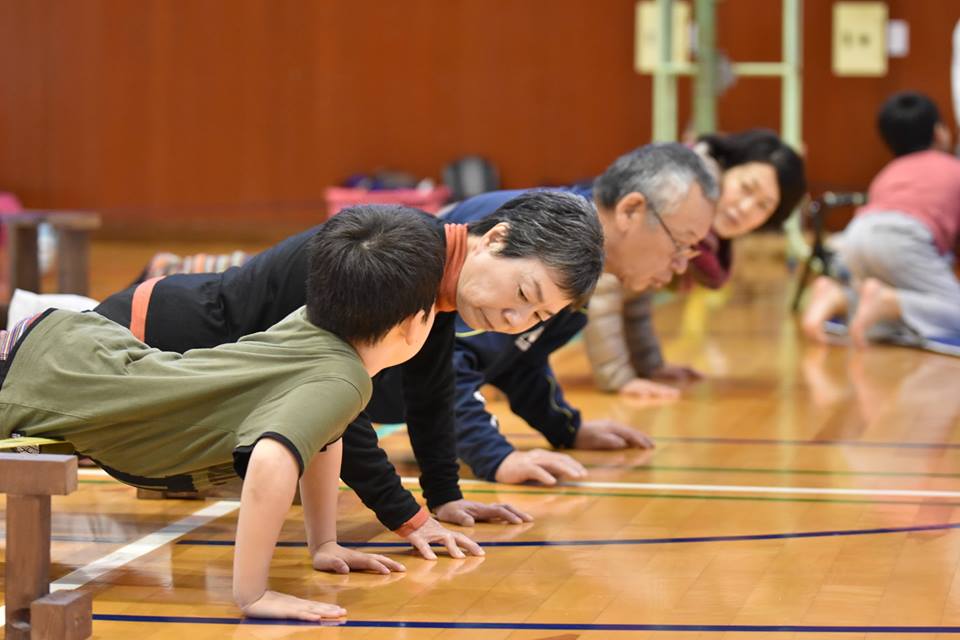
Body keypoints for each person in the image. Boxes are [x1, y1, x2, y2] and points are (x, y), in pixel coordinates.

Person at [94, 189, 606, 553]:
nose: (514, 321)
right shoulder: (406, 258)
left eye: (535, 317)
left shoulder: (441, 275)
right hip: (144, 347)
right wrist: (409, 518)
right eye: (522, 294)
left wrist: (445, 497)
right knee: (24, 436)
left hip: (196, 373)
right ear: (496, 237)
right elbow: (337, 410)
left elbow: (432, 392)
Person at [0, 205, 446, 621]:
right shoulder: (343, 379)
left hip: (74, 351)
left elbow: (328, 432)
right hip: (45, 384)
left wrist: (324, 543)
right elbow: (273, 458)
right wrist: (253, 593)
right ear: (415, 322)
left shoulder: (312, 323)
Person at [383, 143, 717, 485]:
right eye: (680, 242)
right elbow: (451, 361)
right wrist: (495, 456)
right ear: (631, 209)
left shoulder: (582, 260)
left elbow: (521, 356)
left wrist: (565, 427)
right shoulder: (532, 236)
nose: (680, 265)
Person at [584, 129, 807, 399]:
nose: (747, 208)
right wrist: (619, 378)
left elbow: (634, 294)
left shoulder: (701, 232)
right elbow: (603, 285)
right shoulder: (682, 192)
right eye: (747, 188)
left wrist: (650, 365)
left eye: (764, 206)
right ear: (726, 167)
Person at [802, 91, 960, 348]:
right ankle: (889, 301)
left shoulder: (888, 173)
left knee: (886, 316)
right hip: (904, 238)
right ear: (939, 132)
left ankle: (839, 297)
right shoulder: (953, 168)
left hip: (856, 235)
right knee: (949, 311)